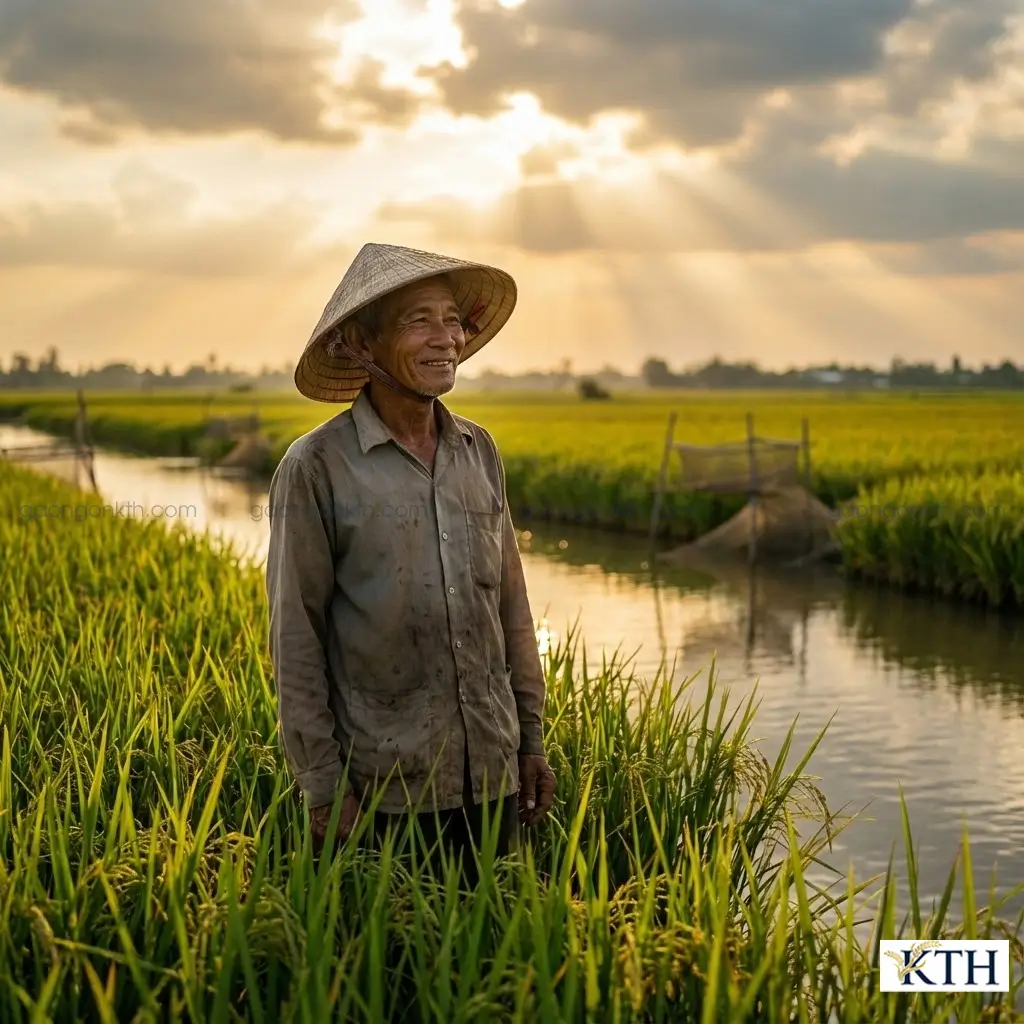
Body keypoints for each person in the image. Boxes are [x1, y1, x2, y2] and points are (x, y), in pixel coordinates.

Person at [265, 242, 557, 873]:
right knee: (392, 936)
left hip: (492, 774)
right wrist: (322, 783)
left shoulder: (478, 451)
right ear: (361, 345)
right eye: (418, 320)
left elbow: (512, 608)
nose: (445, 338)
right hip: (383, 788)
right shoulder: (316, 467)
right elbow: (296, 634)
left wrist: (530, 740)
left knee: (496, 932)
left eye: (452, 320)